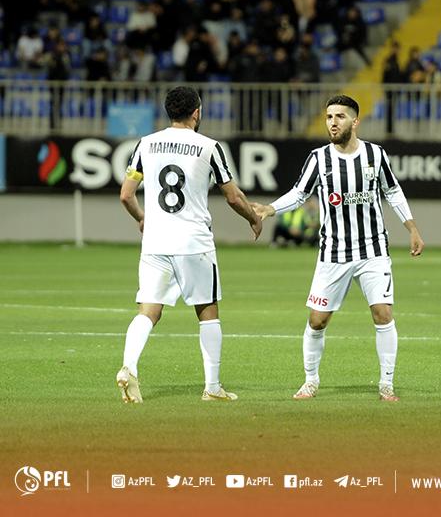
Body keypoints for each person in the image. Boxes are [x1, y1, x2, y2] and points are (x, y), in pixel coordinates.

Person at [252, 95, 425, 402]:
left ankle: (386, 384)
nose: (333, 122)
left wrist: (411, 228)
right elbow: (299, 193)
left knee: (383, 313)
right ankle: (311, 380)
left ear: (355, 122)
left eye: (340, 117)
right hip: (333, 252)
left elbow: (392, 190)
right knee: (317, 320)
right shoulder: (319, 159)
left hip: (372, 249)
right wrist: (270, 209)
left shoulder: (375, 154)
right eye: (329, 116)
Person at [116, 87, 262, 403]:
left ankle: (129, 366)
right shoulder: (209, 147)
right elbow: (233, 196)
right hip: (194, 242)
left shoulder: (145, 143)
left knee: (148, 311)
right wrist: (253, 217)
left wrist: (142, 218)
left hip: (156, 242)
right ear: (197, 112)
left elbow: (126, 195)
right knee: (208, 312)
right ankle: (212, 387)